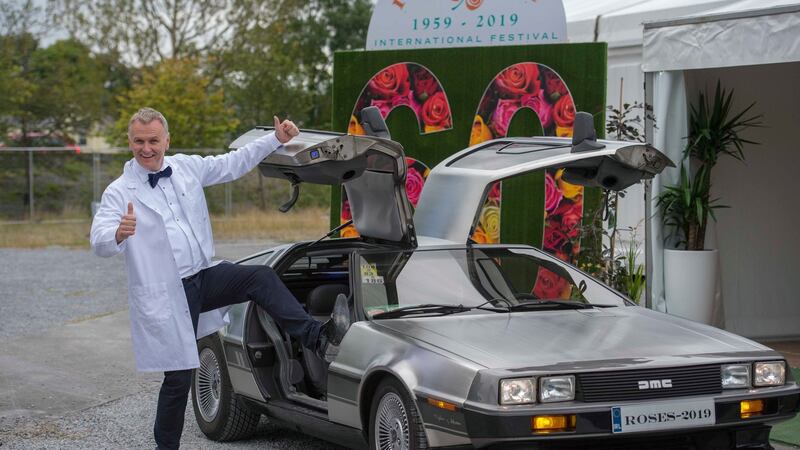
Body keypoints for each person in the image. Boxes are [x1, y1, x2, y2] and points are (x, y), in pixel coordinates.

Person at [90, 107, 338, 449]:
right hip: (169, 293)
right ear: (129, 142)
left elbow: (232, 163)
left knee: (261, 278)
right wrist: (117, 234)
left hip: (203, 277)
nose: (146, 148)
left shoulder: (186, 167)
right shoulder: (120, 192)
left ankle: (317, 338)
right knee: (178, 379)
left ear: (166, 140)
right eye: (138, 141)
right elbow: (98, 239)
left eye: (153, 140)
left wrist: (276, 139)